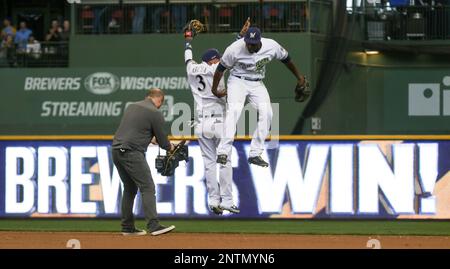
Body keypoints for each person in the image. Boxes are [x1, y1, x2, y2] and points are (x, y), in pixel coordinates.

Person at [211, 26, 306, 168]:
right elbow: (220, 70)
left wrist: (299, 77)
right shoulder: (235, 48)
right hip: (238, 80)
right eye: (248, 42)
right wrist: (214, 89)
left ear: (259, 41)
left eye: (253, 43)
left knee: (267, 113)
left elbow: (287, 60)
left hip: (257, 83)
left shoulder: (271, 46)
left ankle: (255, 153)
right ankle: (223, 151)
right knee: (235, 111)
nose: (249, 45)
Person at [183, 18, 251, 215]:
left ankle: (213, 201)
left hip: (202, 123)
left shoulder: (191, 69)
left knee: (209, 163)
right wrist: (240, 36)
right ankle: (228, 200)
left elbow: (188, 57)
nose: (219, 59)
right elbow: (231, 56)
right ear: (212, 59)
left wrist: (188, 40)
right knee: (224, 160)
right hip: (220, 121)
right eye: (217, 58)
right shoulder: (215, 68)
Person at [112, 88, 176, 236]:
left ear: (147, 97)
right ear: (160, 100)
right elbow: (164, 143)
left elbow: (135, 130)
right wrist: (171, 146)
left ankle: (127, 227)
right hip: (131, 152)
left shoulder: (132, 106)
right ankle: (153, 225)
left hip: (116, 150)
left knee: (129, 188)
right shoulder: (155, 112)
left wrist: (150, 138)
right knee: (147, 187)